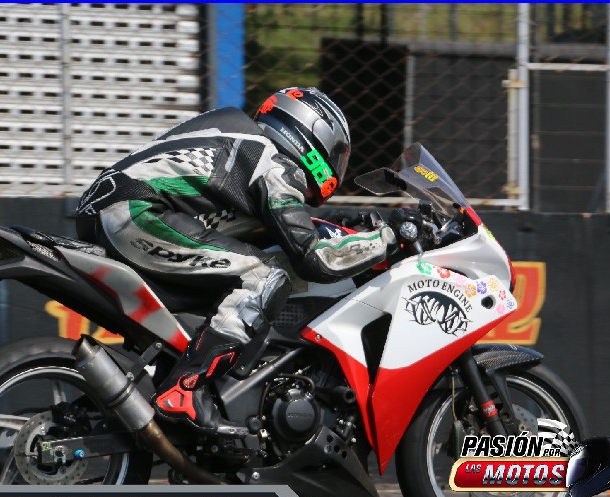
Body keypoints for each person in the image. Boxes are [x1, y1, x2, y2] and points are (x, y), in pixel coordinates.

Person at [76, 87, 398, 434]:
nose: (337, 165)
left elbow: (273, 226)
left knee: (241, 268)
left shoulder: (247, 144)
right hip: (133, 212)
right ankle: (183, 390)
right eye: (337, 154)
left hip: (116, 207)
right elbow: (313, 257)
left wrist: (345, 225)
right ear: (311, 135)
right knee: (265, 276)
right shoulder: (273, 163)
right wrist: (387, 238)